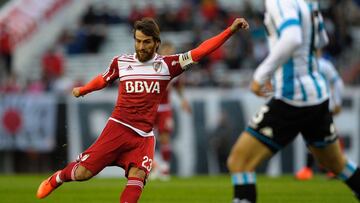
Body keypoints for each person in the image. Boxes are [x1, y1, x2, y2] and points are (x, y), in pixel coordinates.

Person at [36, 17, 249, 203]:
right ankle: (58, 178)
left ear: (157, 43)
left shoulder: (168, 65)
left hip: (144, 137)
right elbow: (103, 79)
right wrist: (83, 89)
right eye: (138, 41)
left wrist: (230, 30)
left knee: (137, 178)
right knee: (82, 173)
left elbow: (201, 51)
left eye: (146, 42)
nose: (141, 46)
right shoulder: (121, 62)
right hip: (117, 129)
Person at [226, 1, 360, 203]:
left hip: (293, 97)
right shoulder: (306, 2)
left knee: (240, 161)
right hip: (317, 96)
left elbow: (292, 38)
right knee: (335, 163)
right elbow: (321, 39)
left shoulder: (279, 1)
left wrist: (261, 75)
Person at [296, 49, 345, 180]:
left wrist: (338, 102)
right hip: (317, 104)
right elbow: (337, 82)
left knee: (324, 135)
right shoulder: (316, 64)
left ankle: (328, 169)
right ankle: (328, 169)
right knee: (320, 135)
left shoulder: (322, 65)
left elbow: (337, 83)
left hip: (321, 103)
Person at [151, 42, 192, 181]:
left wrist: (183, 100)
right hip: (149, 108)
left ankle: (165, 169)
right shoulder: (152, 66)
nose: (169, 52)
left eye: (171, 50)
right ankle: (154, 167)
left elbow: (178, 87)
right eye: (166, 50)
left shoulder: (175, 68)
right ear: (161, 51)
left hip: (164, 109)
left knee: (164, 138)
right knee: (146, 139)